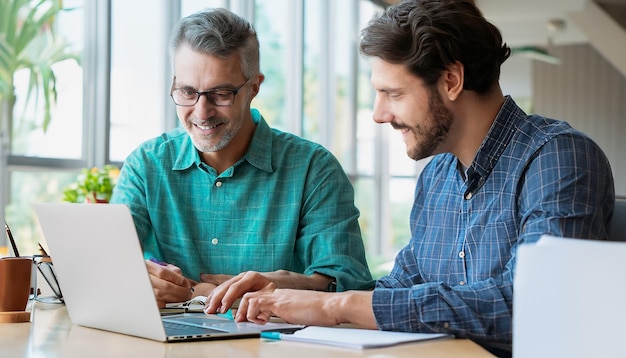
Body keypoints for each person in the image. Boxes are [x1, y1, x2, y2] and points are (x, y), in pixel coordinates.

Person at [203, 0, 615, 356]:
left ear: (451, 81)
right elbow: (399, 290)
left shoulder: (558, 157)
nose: (379, 114)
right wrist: (302, 289)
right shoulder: (437, 175)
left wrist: (339, 307)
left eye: (393, 94)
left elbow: (529, 303)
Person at [110, 8, 374, 308]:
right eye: (187, 91)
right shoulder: (146, 165)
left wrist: (269, 285)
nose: (201, 112)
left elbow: (348, 283)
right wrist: (139, 279)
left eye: (221, 94)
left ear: (254, 87)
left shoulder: (314, 169)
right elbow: (107, 263)